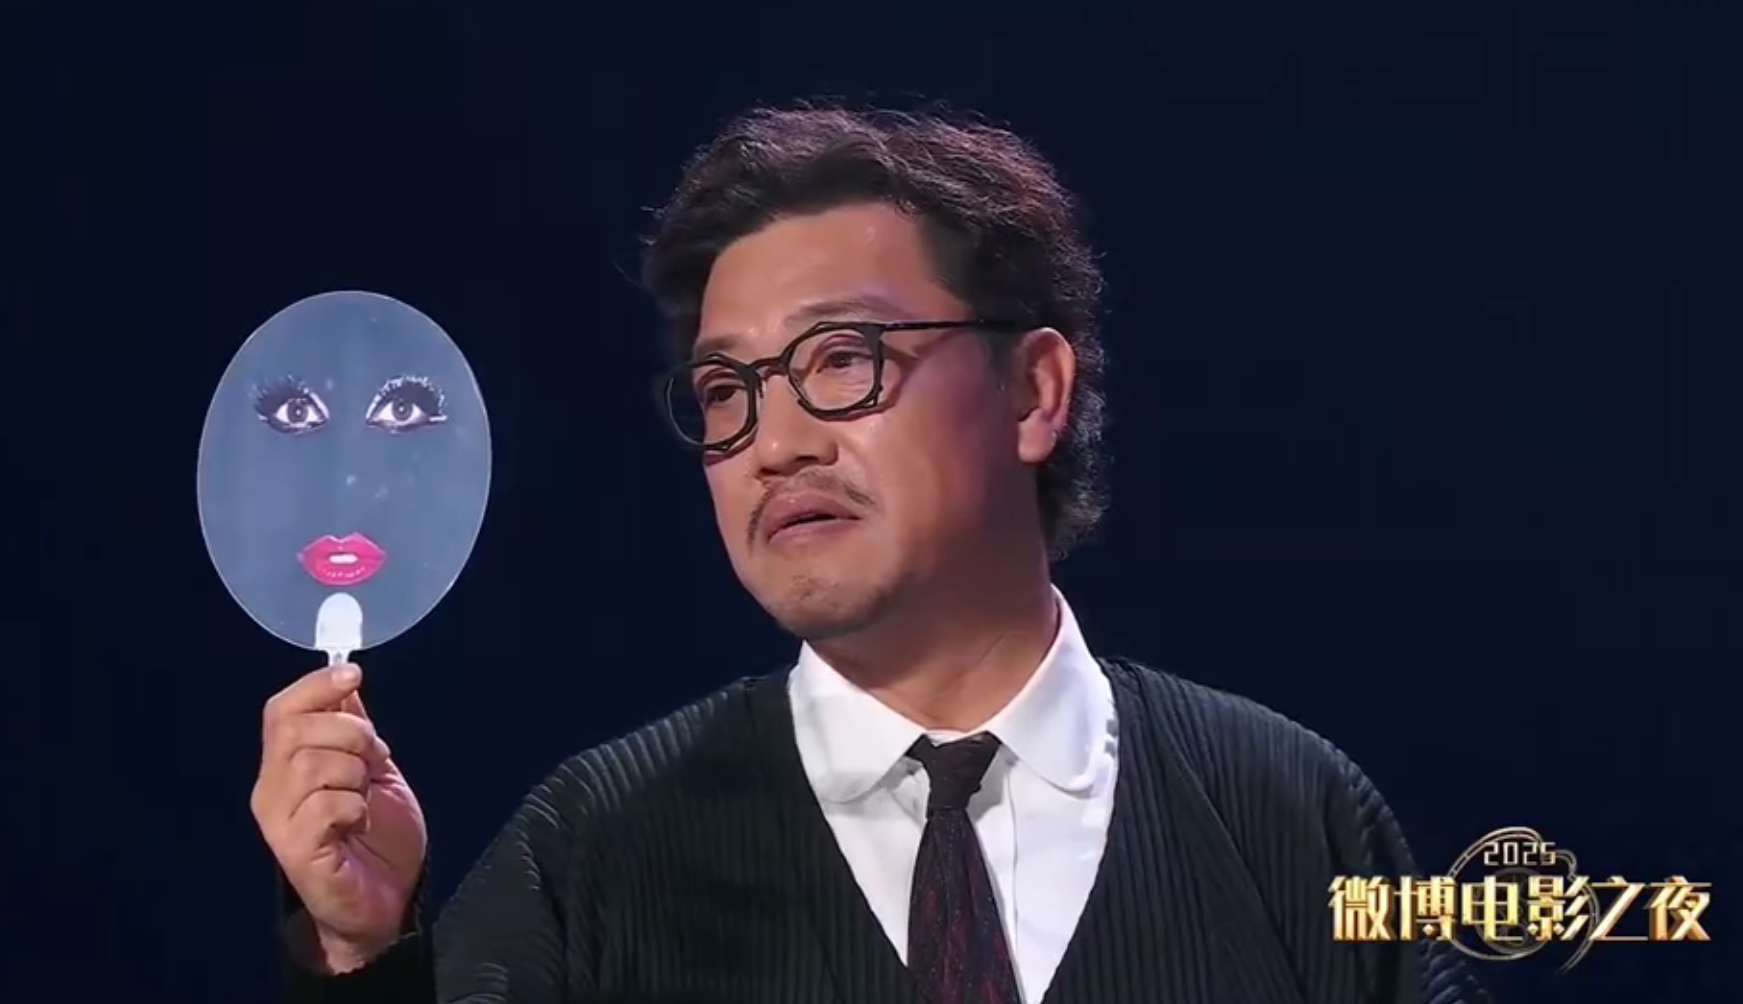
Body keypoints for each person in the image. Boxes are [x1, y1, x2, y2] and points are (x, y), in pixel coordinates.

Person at [252, 104, 1490, 1004]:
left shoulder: (1290, 814)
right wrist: (362, 951)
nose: (774, 441)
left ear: (1033, 390)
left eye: (842, 361)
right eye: (727, 390)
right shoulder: (591, 847)